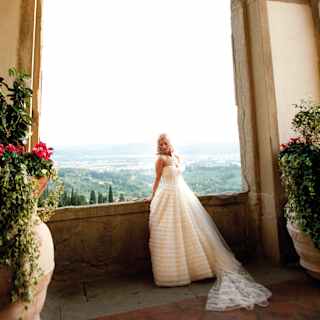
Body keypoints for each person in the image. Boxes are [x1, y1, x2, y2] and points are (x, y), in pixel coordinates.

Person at [148, 133, 271, 311]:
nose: (163, 145)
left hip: (181, 195)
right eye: (160, 143)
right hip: (167, 195)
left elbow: (180, 178)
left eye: (165, 142)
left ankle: (199, 270)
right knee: (171, 233)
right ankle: (175, 274)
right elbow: (157, 179)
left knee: (192, 230)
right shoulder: (159, 160)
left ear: (170, 143)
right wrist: (152, 197)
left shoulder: (176, 156)